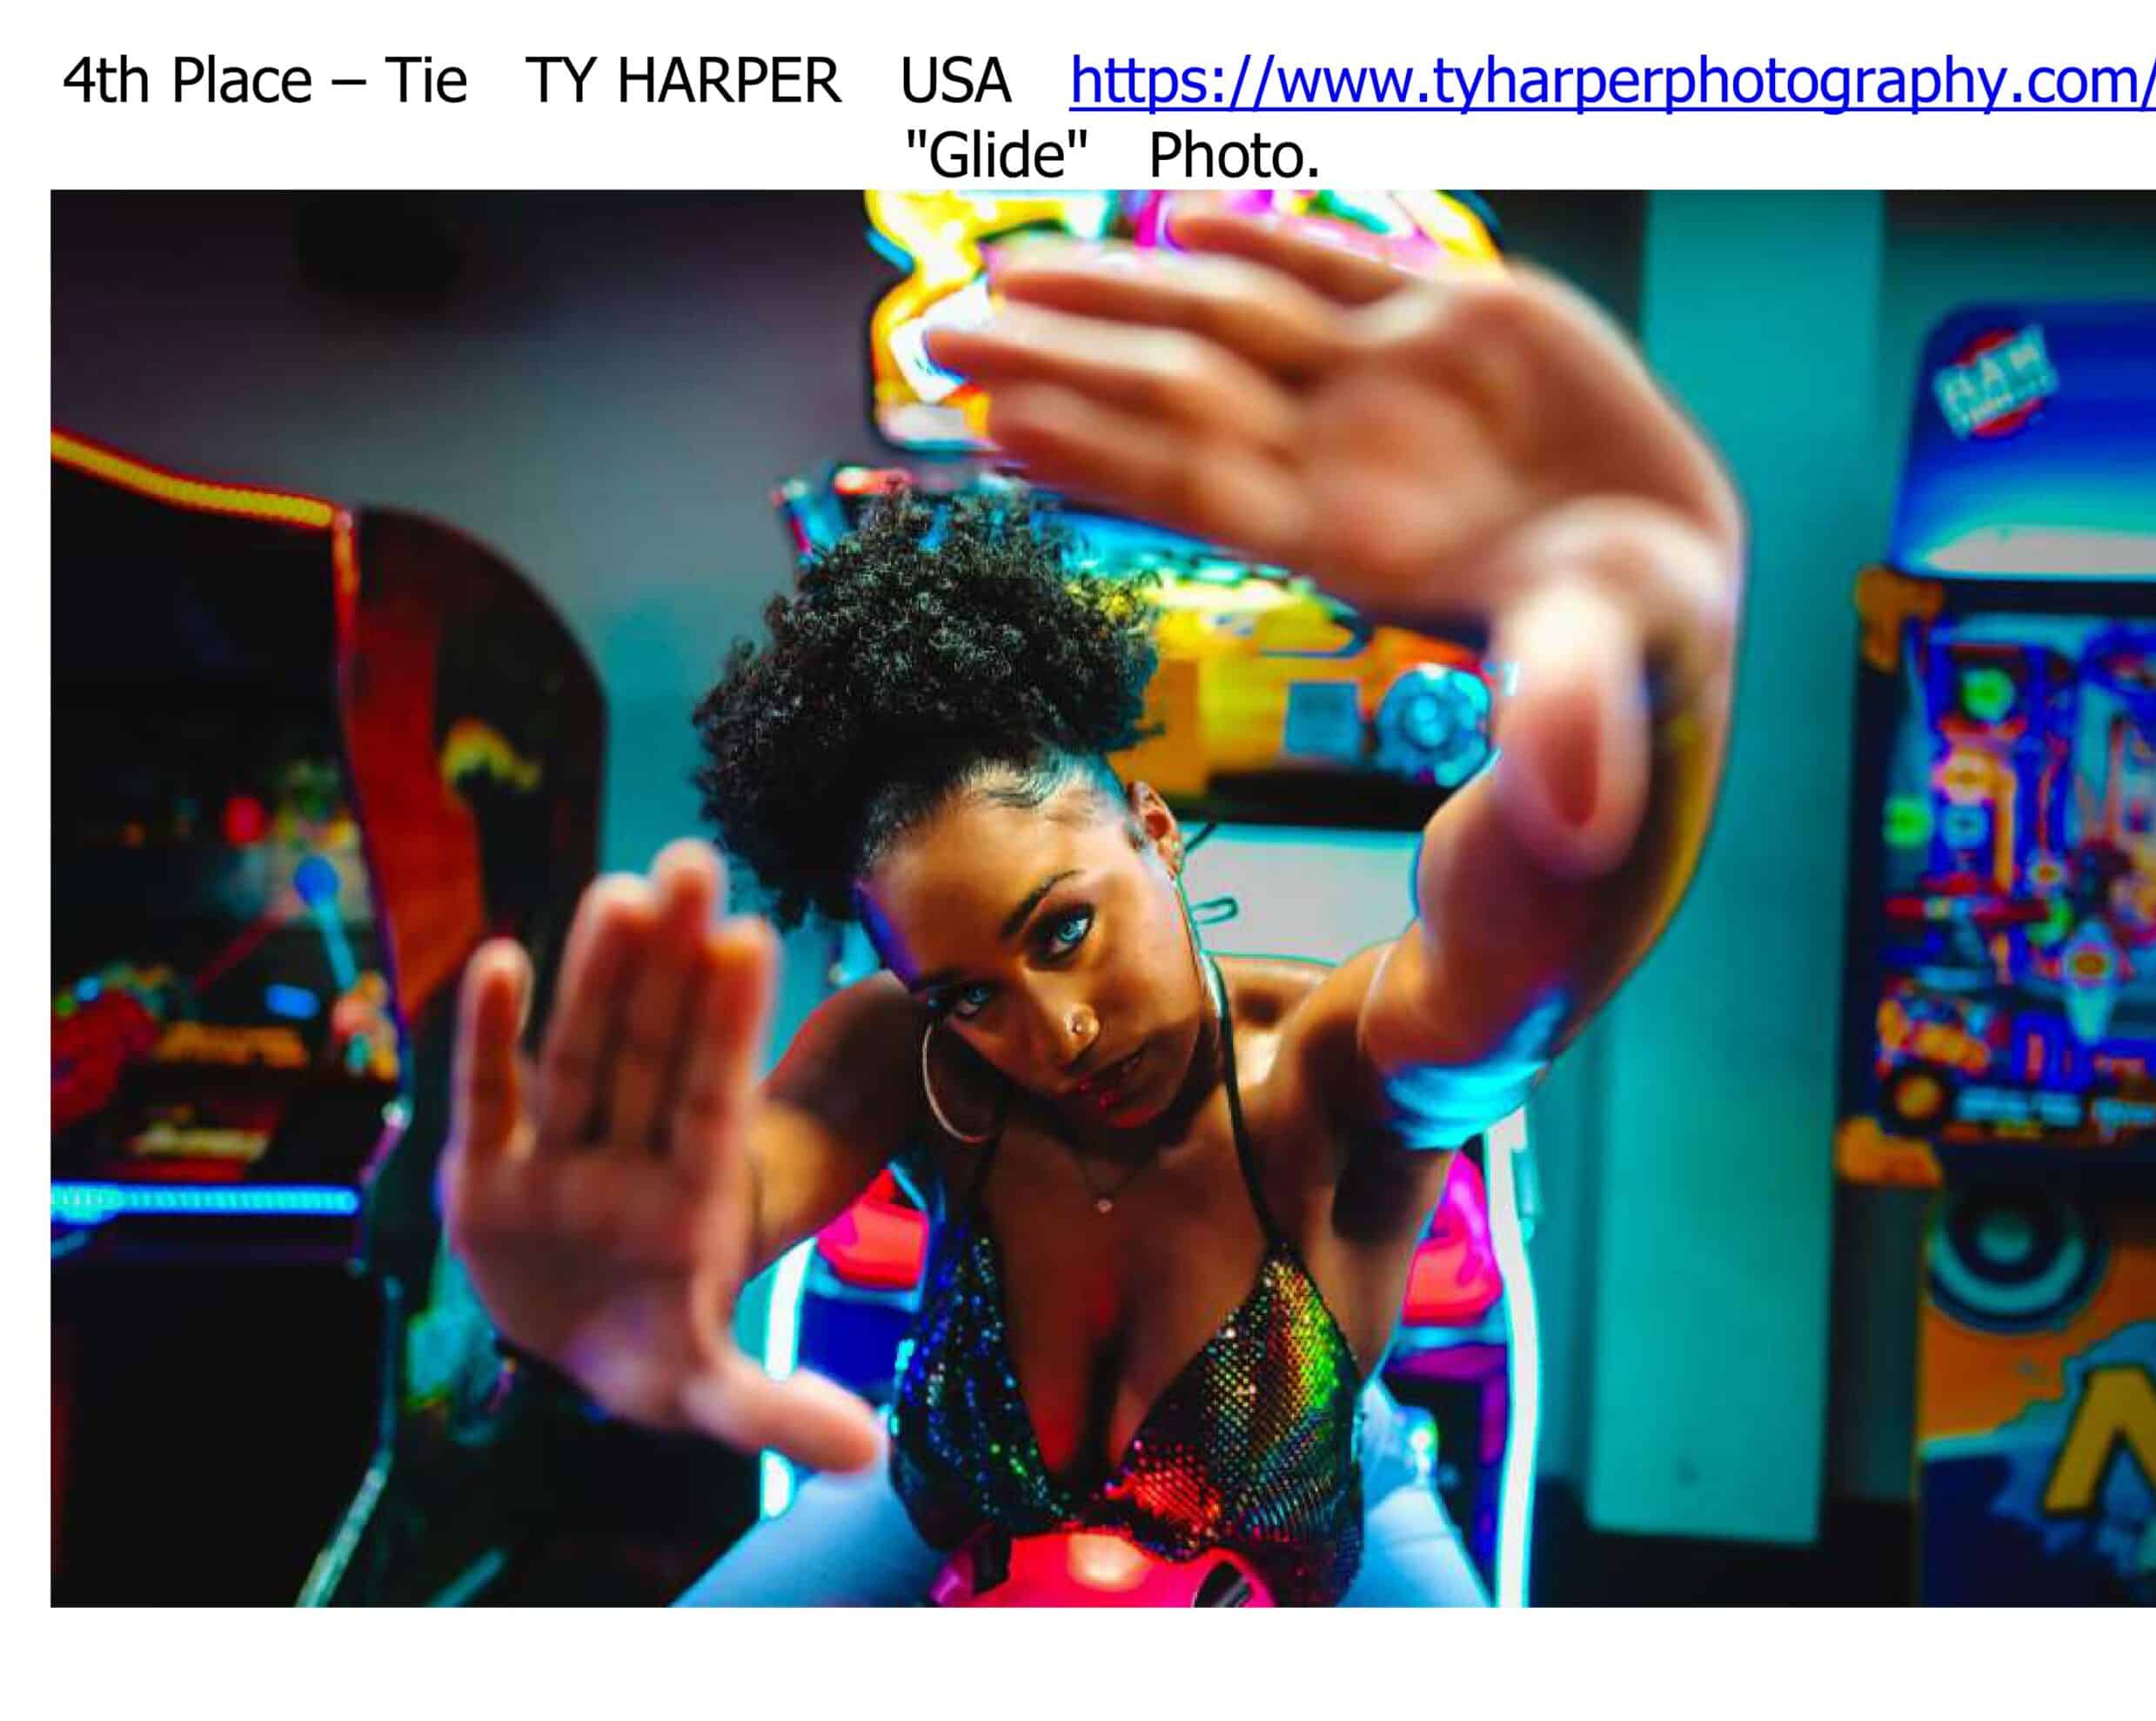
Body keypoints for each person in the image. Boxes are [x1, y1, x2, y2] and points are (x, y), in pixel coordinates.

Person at [440, 203, 1744, 1605]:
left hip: (1323, 1514)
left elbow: (1508, 958)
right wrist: (580, 1286)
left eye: (1062, 927)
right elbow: (745, 1183)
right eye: (968, 992)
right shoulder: (916, 1063)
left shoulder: (1325, 1072)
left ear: (1155, 830)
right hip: (934, 1494)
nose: (1052, 1033)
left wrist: (1663, 661)